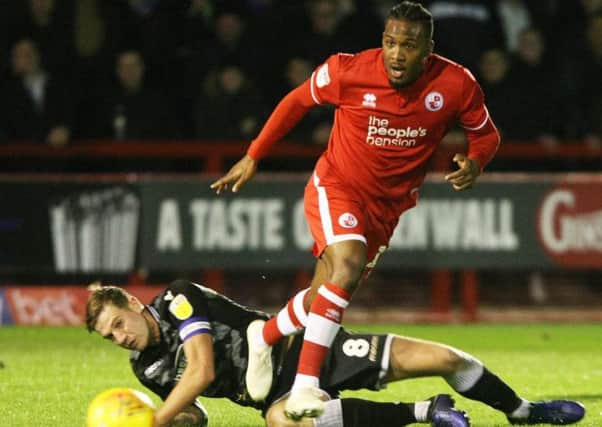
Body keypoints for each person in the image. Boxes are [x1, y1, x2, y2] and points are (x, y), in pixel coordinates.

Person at [210, 1, 501, 419]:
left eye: (409, 45)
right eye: (390, 42)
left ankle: (265, 333)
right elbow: (296, 101)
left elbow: (486, 135)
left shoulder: (456, 83)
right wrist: (255, 155)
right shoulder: (349, 70)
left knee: (324, 293)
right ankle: (305, 388)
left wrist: (476, 162)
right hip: (337, 186)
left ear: (428, 49)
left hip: (388, 207)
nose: (397, 53)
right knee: (346, 265)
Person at [85, 280, 585, 427]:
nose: (120, 337)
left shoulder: (176, 298)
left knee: (450, 359)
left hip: (309, 349)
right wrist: (174, 422)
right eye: (110, 337)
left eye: (118, 324)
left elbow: (202, 368)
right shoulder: (145, 369)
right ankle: (426, 412)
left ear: (132, 302)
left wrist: (151, 422)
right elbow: (195, 415)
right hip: (272, 394)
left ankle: (521, 411)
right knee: (283, 423)